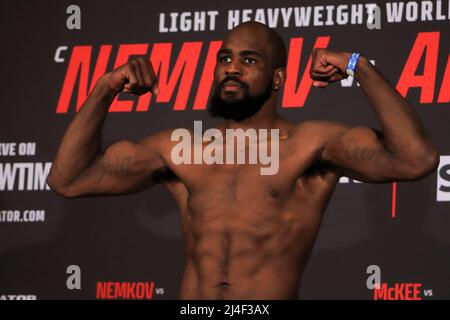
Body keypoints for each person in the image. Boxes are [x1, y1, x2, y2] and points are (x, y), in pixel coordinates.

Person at [47, 21, 439, 299]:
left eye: (249, 60)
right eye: (224, 58)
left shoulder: (309, 144)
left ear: (278, 79)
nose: (231, 68)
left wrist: (360, 66)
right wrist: (104, 87)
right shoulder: (183, 149)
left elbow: (415, 159)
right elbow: (68, 180)